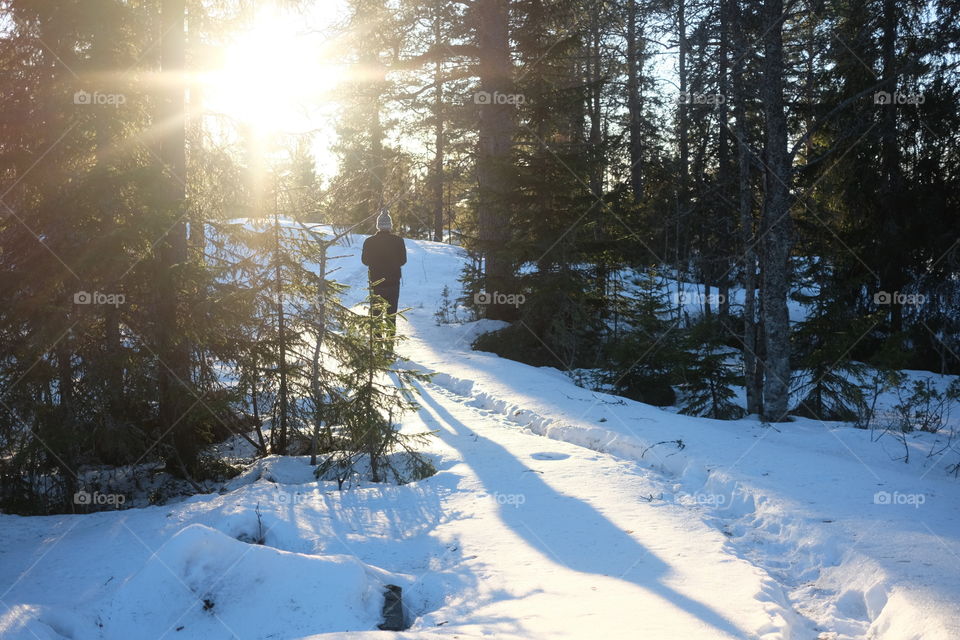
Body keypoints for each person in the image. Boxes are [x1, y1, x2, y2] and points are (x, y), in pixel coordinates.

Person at [361, 208, 406, 346]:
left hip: (376, 283)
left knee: (376, 315)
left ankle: (378, 344)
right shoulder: (398, 241)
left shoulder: (369, 241)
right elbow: (403, 260)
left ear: (378, 225)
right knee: (391, 315)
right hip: (393, 283)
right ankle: (390, 345)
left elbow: (365, 261)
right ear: (390, 226)